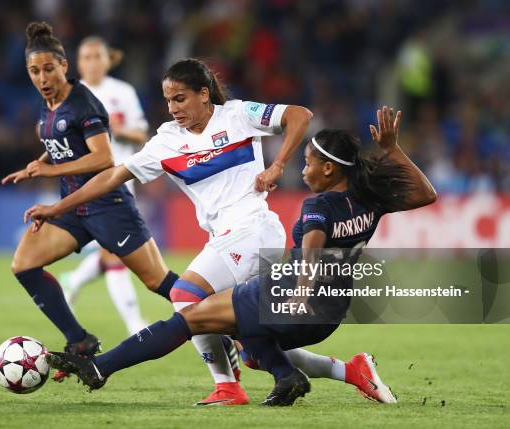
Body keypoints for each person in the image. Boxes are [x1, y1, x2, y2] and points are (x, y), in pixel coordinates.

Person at [36, 106, 437, 406]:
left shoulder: (318, 207)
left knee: (190, 314)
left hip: (293, 300)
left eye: (310, 161)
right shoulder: (368, 201)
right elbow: (426, 195)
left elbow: (312, 251)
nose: (304, 166)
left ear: (330, 171)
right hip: (330, 312)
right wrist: (393, 149)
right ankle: (295, 375)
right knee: (249, 346)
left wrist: (299, 290)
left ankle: (100, 367)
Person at [22, 57, 314, 405]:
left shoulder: (238, 115)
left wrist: (278, 164)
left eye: (180, 98)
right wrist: (59, 207)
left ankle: (226, 386)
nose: (173, 108)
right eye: (168, 100)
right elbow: (113, 176)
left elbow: (299, 115)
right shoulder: (166, 141)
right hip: (225, 236)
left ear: (204, 94)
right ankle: (305, 374)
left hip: (255, 229)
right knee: (243, 335)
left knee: (185, 295)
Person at [1, 22, 179, 379]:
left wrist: (50, 173)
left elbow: (102, 158)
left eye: (49, 69)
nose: (42, 77)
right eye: (34, 71)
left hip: (108, 206)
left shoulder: (83, 102)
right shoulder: (48, 104)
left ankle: (227, 318)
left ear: (64, 66)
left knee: (158, 282)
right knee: (24, 264)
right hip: (74, 208)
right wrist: (41, 162)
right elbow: (63, 143)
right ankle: (79, 341)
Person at [58, 36, 150, 335]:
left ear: (107, 60)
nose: (93, 62)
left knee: (116, 249)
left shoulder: (122, 92)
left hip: (120, 177)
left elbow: (141, 135)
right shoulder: (71, 94)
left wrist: (117, 131)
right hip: (87, 183)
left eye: (98, 56)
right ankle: (133, 322)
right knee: (117, 251)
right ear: (78, 62)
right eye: (86, 57)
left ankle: (73, 281)